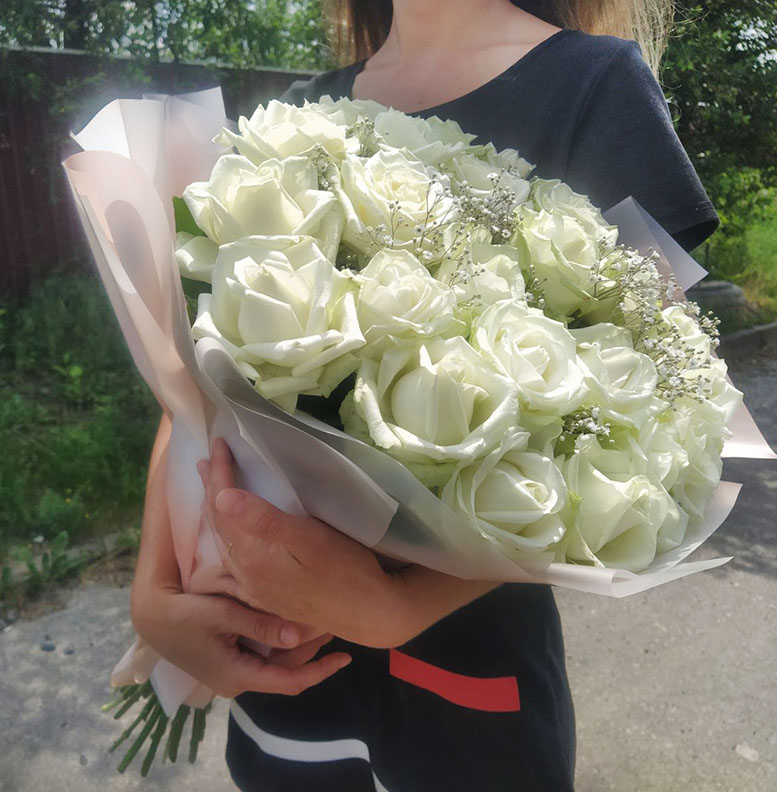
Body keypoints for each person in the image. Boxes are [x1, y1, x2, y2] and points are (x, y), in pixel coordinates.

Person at [131, 1, 719, 790]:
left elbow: (661, 414)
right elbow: (194, 385)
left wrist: (397, 607)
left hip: (463, 695)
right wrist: (153, 595)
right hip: (281, 683)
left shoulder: (595, 86)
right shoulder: (300, 109)